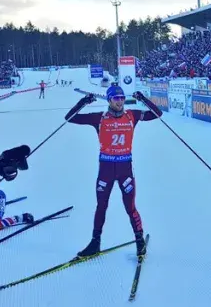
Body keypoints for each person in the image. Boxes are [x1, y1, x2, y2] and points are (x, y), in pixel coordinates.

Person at [64, 86, 162, 258]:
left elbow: (157, 114)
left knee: (130, 207)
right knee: (101, 206)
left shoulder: (132, 115)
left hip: (125, 170)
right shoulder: (99, 118)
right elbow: (69, 118)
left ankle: (139, 242)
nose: (120, 101)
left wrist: (143, 99)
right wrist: (83, 102)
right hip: (106, 171)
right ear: (109, 100)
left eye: (122, 98)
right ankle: (95, 243)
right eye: (116, 98)